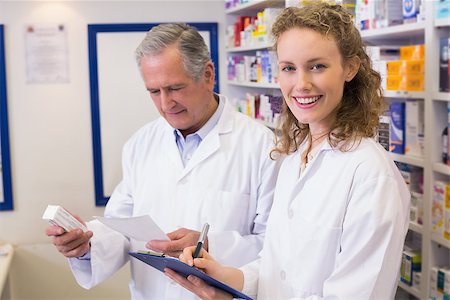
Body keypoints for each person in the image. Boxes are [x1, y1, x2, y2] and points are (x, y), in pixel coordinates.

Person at [165, 3, 410, 299]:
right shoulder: (296, 158)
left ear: (350, 68)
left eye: (317, 66)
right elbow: (276, 267)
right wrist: (226, 280)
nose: (301, 84)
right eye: (289, 68)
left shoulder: (372, 175)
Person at [45, 23, 281, 299]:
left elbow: (275, 246)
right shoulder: (140, 144)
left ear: (208, 75)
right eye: (154, 92)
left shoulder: (263, 147)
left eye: (175, 88)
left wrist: (210, 245)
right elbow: (120, 226)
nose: (166, 103)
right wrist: (85, 244)